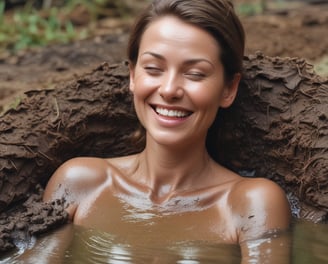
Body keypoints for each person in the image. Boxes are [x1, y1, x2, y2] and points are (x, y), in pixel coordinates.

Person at [43, 0, 291, 262]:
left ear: (229, 88)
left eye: (195, 74)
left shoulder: (250, 202)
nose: (169, 89)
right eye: (153, 69)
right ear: (132, 75)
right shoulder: (80, 182)